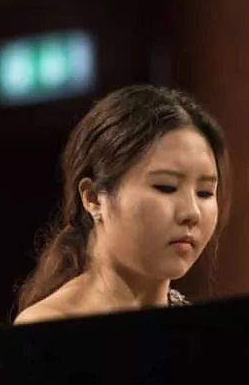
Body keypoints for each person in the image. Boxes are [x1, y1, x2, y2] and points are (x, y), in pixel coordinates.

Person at [13, 84, 231, 325]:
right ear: (93, 197)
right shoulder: (49, 325)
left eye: (205, 193)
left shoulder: (201, 329)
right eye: (166, 187)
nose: (192, 212)